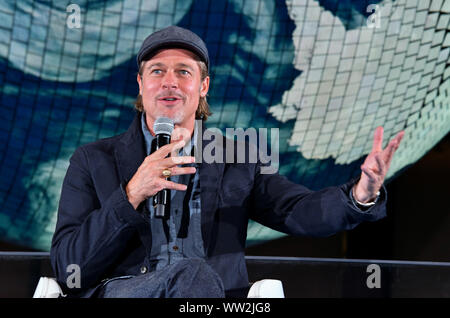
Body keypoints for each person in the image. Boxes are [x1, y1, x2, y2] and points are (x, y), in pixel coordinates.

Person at [50, 26, 405, 298]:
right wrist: (131, 194)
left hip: (214, 297)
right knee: (192, 275)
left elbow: (300, 210)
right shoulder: (93, 160)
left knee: (198, 279)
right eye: (157, 71)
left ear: (203, 86)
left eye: (183, 72)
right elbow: (69, 267)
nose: (169, 82)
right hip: (124, 291)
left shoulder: (239, 158)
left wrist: (360, 194)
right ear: (141, 85)